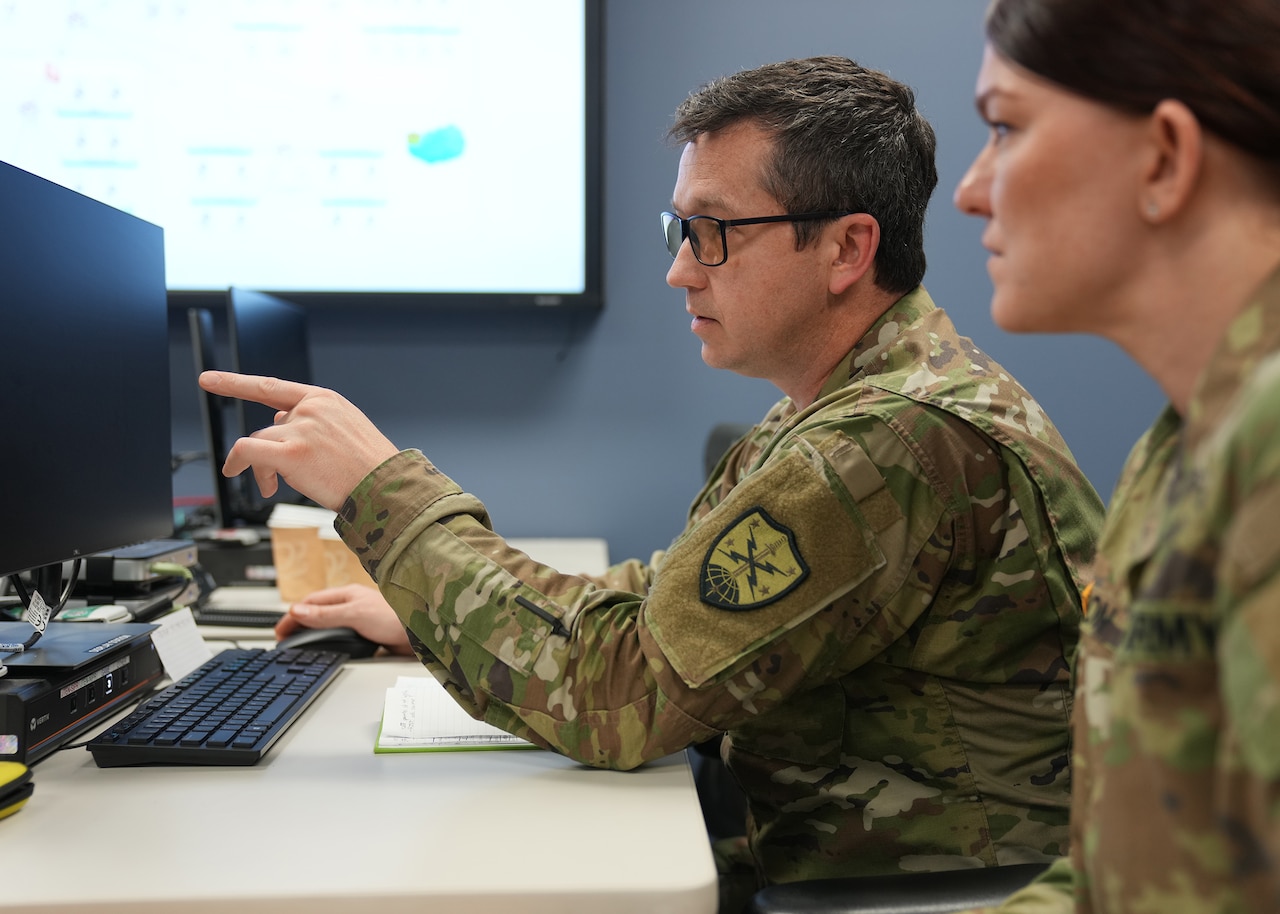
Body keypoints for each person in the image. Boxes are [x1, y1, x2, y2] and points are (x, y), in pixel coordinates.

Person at [201, 57, 1103, 911]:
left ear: (846, 249)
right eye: (679, 230)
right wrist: (429, 606)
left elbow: (616, 694)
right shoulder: (853, 398)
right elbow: (672, 602)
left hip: (880, 894)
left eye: (712, 232)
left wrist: (382, 494)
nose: (678, 268)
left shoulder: (888, 439)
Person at [951, 1, 1280, 911]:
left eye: (1005, 127)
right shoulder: (1179, 445)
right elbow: (1119, 869)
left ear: (1164, 159)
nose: (971, 189)